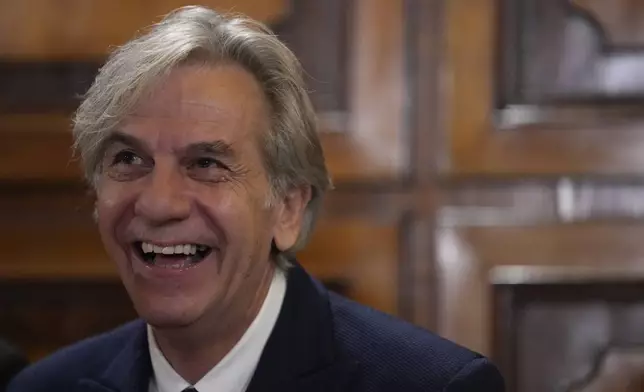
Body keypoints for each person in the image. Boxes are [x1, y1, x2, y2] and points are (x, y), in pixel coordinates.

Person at [8, 6, 504, 392]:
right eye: (129, 161)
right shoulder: (43, 387)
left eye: (206, 164)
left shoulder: (432, 386)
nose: (158, 204)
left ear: (287, 208)